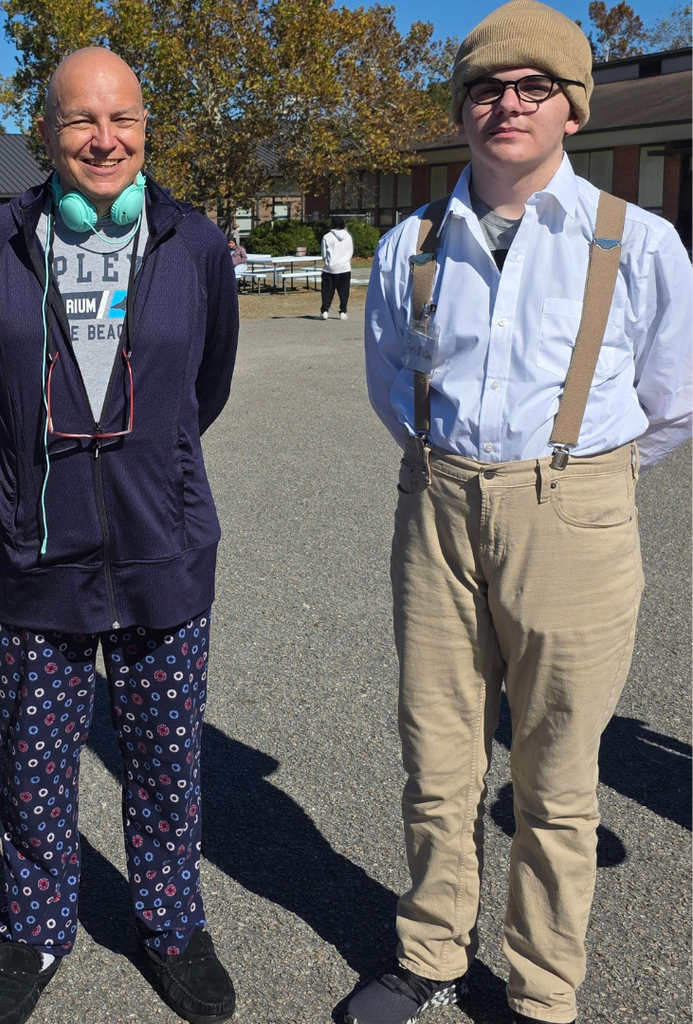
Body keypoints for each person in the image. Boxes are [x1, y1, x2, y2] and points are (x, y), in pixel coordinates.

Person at [352, 3, 692, 1024]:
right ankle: (429, 948)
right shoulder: (408, 243)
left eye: (531, 87)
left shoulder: (636, 240)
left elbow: (672, 399)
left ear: (572, 109)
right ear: (461, 107)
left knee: (556, 768)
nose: (506, 104)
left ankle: (543, 988)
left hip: (573, 504)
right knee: (437, 751)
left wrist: (583, 487)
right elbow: (390, 385)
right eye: (485, 87)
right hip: (439, 498)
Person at [0, 46, 239, 1024]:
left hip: (161, 545)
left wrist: (148, 468)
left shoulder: (194, 242)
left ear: (146, 129)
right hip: (42, 547)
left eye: (121, 119)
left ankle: (170, 924)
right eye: (81, 119)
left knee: (165, 757)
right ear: (48, 132)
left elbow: (204, 389)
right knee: (32, 761)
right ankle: (34, 929)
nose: (103, 137)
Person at [319, 217, 353, 320]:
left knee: (327, 290)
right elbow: (350, 251)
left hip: (330, 268)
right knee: (344, 291)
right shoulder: (348, 236)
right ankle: (343, 311)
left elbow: (324, 254)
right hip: (345, 268)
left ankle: (325, 311)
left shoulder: (327, 237)